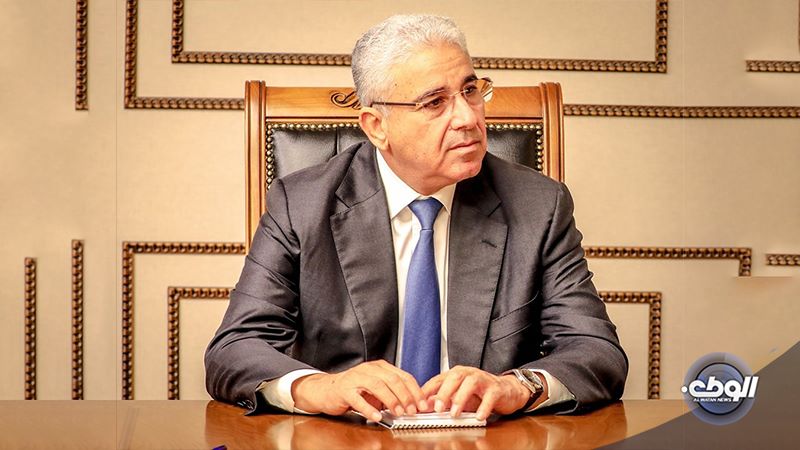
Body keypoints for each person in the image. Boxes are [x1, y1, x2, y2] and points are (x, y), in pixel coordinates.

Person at [205, 14, 627, 421]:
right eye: (435, 102)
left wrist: (519, 386)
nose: (468, 118)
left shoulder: (538, 205)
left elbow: (596, 350)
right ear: (376, 126)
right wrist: (321, 388)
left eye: (471, 91)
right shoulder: (301, 204)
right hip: (348, 437)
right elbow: (235, 348)